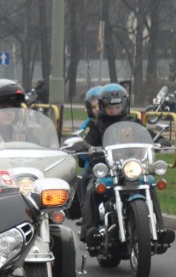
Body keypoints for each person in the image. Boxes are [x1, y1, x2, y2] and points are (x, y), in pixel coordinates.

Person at [70, 83, 169, 246]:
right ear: (103, 106)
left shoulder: (133, 121)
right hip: (105, 168)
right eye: (110, 107)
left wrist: (160, 140)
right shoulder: (95, 124)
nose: (114, 111)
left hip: (131, 166)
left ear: (124, 105)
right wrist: (87, 147)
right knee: (91, 188)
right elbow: (85, 140)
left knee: (149, 184)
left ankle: (159, 229)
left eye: (118, 107)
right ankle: (89, 231)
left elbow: (147, 134)